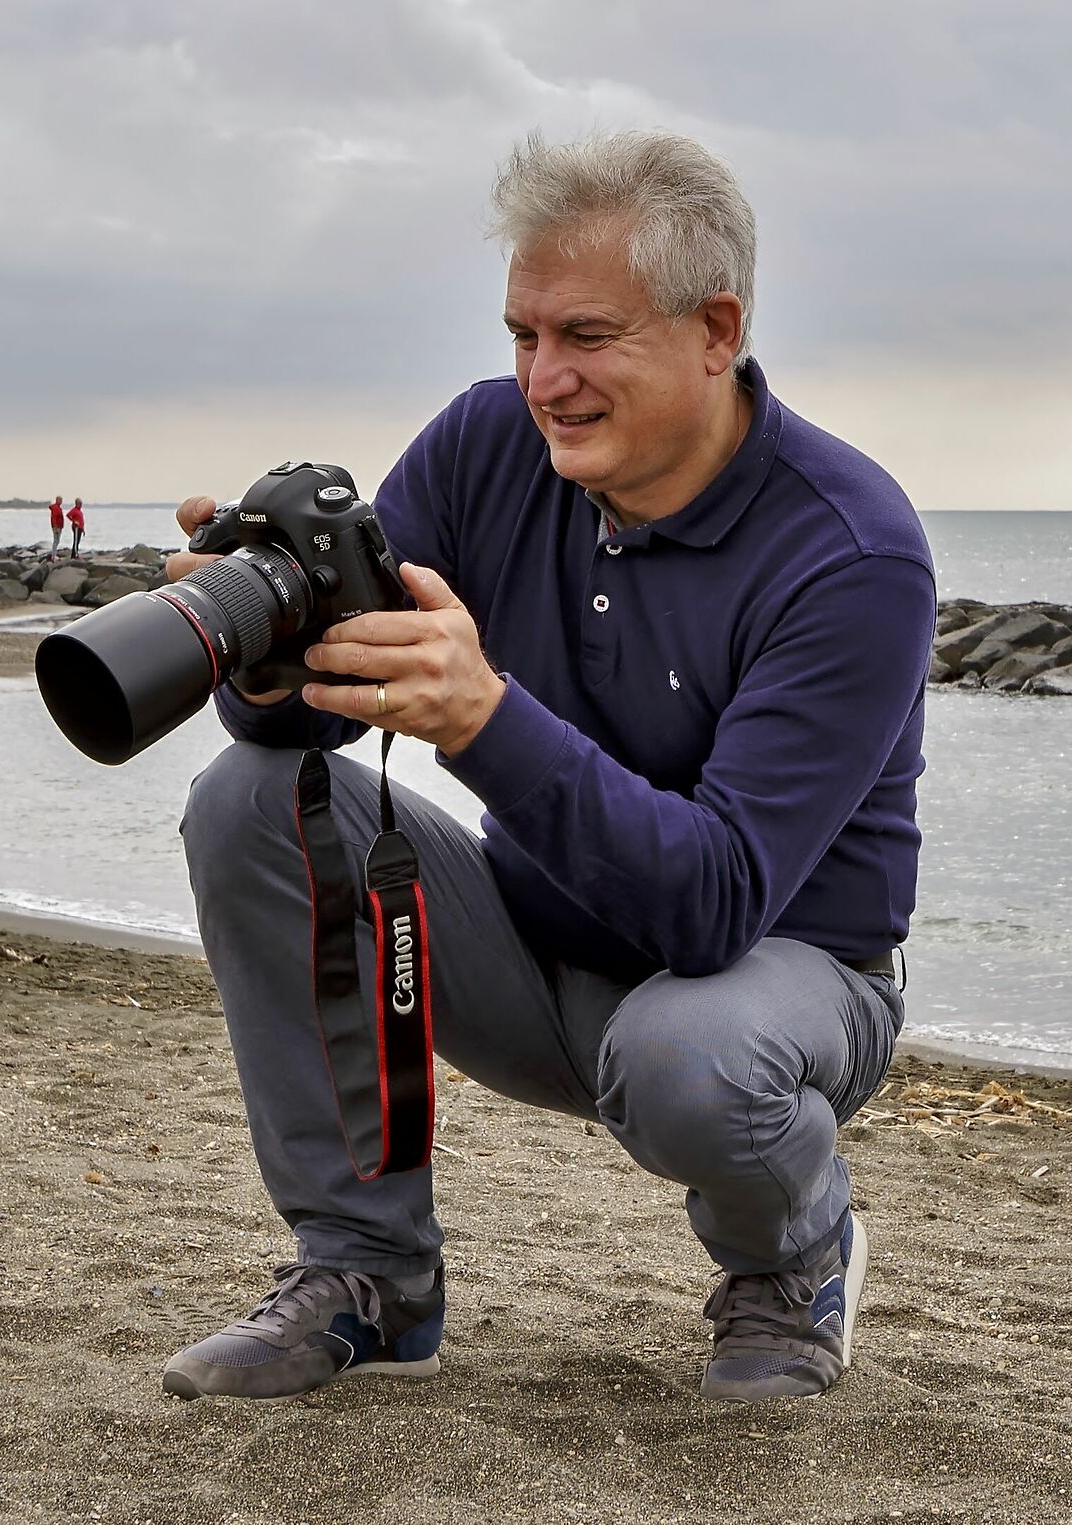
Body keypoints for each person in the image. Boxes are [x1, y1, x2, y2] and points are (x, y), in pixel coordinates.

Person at [162, 129, 934, 1405]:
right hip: (535, 958)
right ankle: (367, 1272)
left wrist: (480, 716)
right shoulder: (485, 445)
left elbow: (713, 904)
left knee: (693, 1052)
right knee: (245, 804)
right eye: (523, 334)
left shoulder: (852, 551)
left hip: (773, 990)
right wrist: (264, 658)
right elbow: (308, 732)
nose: (543, 379)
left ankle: (791, 1262)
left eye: (585, 336)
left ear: (715, 328)